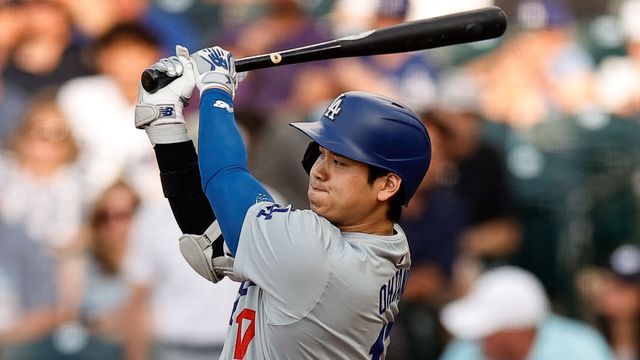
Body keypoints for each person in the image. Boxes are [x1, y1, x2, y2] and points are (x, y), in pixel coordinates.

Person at [134, 45, 431, 358]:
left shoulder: (322, 259)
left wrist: (216, 88)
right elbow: (211, 237)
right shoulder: (386, 242)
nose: (319, 172)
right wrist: (165, 123)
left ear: (388, 185)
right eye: (321, 154)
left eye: (340, 162)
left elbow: (225, 176)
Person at [439, 266, 614, 360]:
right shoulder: (466, 349)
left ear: (516, 332)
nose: (481, 340)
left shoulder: (581, 349)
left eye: (489, 332)